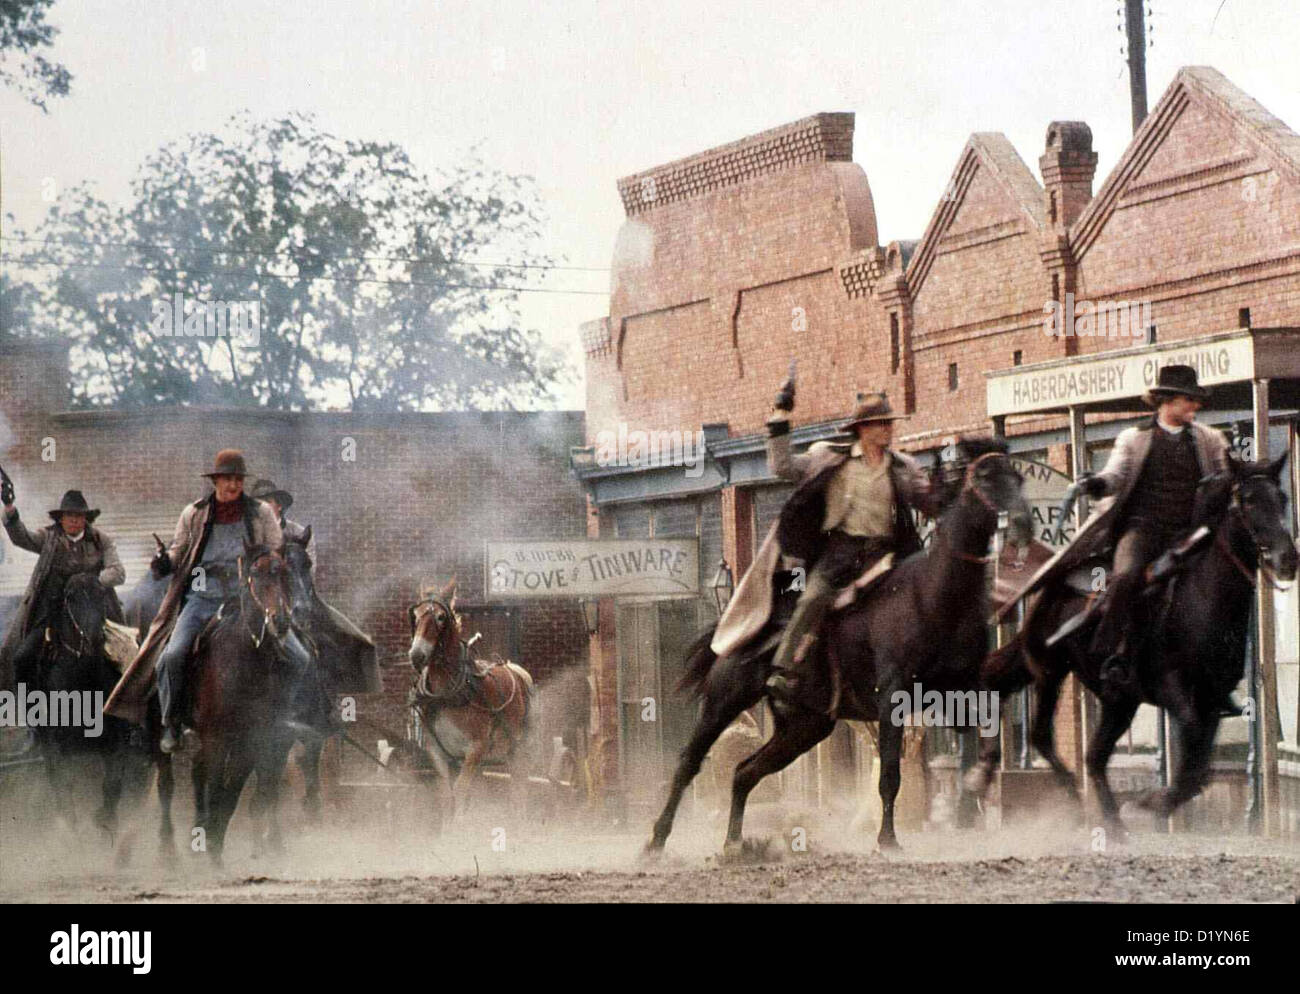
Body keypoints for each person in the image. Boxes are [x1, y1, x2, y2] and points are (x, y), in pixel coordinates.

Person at [1012, 364, 1237, 710]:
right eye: (1188, 400)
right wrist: (1095, 484)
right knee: (1127, 576)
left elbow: (1226, 474)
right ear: (1166, 401)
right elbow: (1115, 476)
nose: (1196, 407)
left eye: (1196, 401)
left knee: (1224, 578)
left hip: (1189, 533)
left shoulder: (1209, 440)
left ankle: (1219, 674)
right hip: (1142, 530)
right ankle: (1113, 655)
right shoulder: (1133, 439)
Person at [723, 375, 937, 715]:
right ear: (862, 429)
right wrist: (779, 420)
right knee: (813, 598)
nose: (887, 430)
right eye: (880, 424)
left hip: (887, 555)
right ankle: (785, 670)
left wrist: (948, 494)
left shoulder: (903, 466)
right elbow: (783, 467)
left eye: (888, 423)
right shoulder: (828, 457)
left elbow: (928, 500)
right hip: (841, 553)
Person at [1, 488, 125, 751]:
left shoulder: (101, 540)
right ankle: (33, 723)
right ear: (61, 519)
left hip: (93, 610)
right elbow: (20, 537)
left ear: (86, 519)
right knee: (23, 657)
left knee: (129, 658)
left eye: (78, 516)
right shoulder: (48, 538)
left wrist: (93, 580)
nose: (73, 521)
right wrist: (10, 509)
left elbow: (118, 572)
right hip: (52, 610)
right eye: (69, 516)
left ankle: (129, 721)